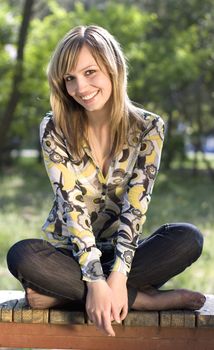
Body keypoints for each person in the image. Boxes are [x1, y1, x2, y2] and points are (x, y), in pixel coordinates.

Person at [7, 25, 205, 337]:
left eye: (89, 72)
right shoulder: (54, 128)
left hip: (123, 257)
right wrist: (95, 280)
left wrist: (116, 277)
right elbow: (71, 207)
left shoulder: (149, 127)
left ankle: (63, 296)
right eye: (69, 78)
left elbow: (135, 208)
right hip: (70, 255)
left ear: (113, 68)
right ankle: (143, 300)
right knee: (22, 255)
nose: (80, 87)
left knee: (188, 238)